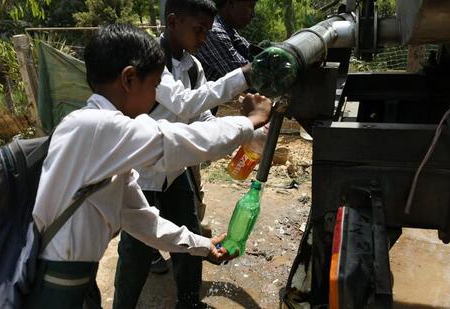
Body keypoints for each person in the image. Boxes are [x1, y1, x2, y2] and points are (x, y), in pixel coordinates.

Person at [24, 23, 272, 308]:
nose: (156, 96)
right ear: (129, 79)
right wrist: (249, 122)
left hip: (72, 274)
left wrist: (202, 246)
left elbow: (141, 219)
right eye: (154, 86)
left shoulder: (100, 138)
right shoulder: (98, 127)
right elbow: (178, 143)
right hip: (58, 279)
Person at [113, 0, 255, 308]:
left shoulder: (193, 67)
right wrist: (245, 74)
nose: (204, 37)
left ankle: (189, 302)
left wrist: (245, 130)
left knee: (189, 237)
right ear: (173, 21)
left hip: (176, 170)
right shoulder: (151, 61)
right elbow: (185, 104)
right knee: (136, 252)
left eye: (206, 30)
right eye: (198, 30)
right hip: (143, 173)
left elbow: (200, 117)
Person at [195, 0, 258, 115]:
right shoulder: (214, 31)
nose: (253, 14)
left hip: (200, 110)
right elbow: (249, 77)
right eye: (250, 7)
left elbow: (250, 52)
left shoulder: (229, 31)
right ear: (231, 4)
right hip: (191, 114)